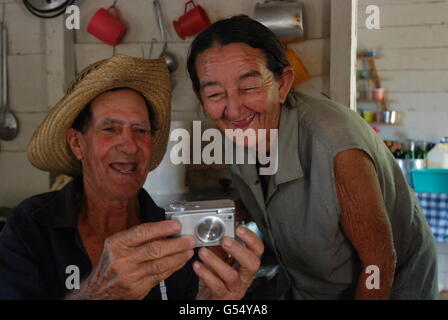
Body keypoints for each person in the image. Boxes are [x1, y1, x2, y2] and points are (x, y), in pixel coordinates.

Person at [186, 15, 438, 299]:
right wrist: (229, 215)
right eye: (216, 94)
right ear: (200, 96)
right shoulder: (239, 132)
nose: (233, 109)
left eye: (249, 88)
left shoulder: (336, 146)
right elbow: (270, 193)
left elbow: (379, 263)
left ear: (282, 84)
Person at [0, 54, 263, 300]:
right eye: (110, 128)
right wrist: (96, 291)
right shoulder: (30, 227)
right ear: (77, 144)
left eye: (140, 130)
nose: (129, 145)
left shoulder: (181, 233)